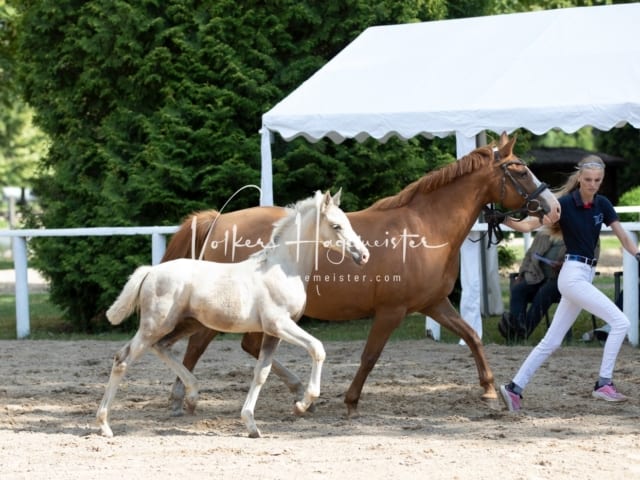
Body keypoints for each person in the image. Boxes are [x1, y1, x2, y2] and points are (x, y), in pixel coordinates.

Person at [499, 154, 640, 411]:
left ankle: (514, 388)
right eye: (588, 179)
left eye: (597, 180)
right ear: (580, 177)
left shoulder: (603, 204)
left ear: (602, 179)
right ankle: (603, 384)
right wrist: (504, 219)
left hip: (584, 275)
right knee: (622, 322)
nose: (592, 184)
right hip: (572, 275)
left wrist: (638, 254)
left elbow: (623, 237)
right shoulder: (563, 204)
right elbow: (530, 224)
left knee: (551, 342)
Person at [499, 233, 566, 342]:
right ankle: (516, 329)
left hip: (561, 279)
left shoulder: (578, 232)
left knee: (544, 293)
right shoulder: (545, 232)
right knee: (518, 289)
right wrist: (521, 274)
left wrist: (564, 265)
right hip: (538, 276)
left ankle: (521, 334)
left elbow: (585, 261)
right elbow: (529, 255)